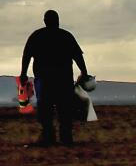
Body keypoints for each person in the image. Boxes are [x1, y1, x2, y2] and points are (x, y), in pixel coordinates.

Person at [19, 9, 90, 147]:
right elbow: (78, 56)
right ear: (58, 21)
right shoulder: (66, 36)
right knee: (65, 110)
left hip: (44, 81)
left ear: (45, 21)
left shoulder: (37, 36)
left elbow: (26, 55)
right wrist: (84, 72)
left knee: (45, 110)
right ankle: (66, 138)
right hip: (64, 80)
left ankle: (48, 137)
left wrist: (23, 74)